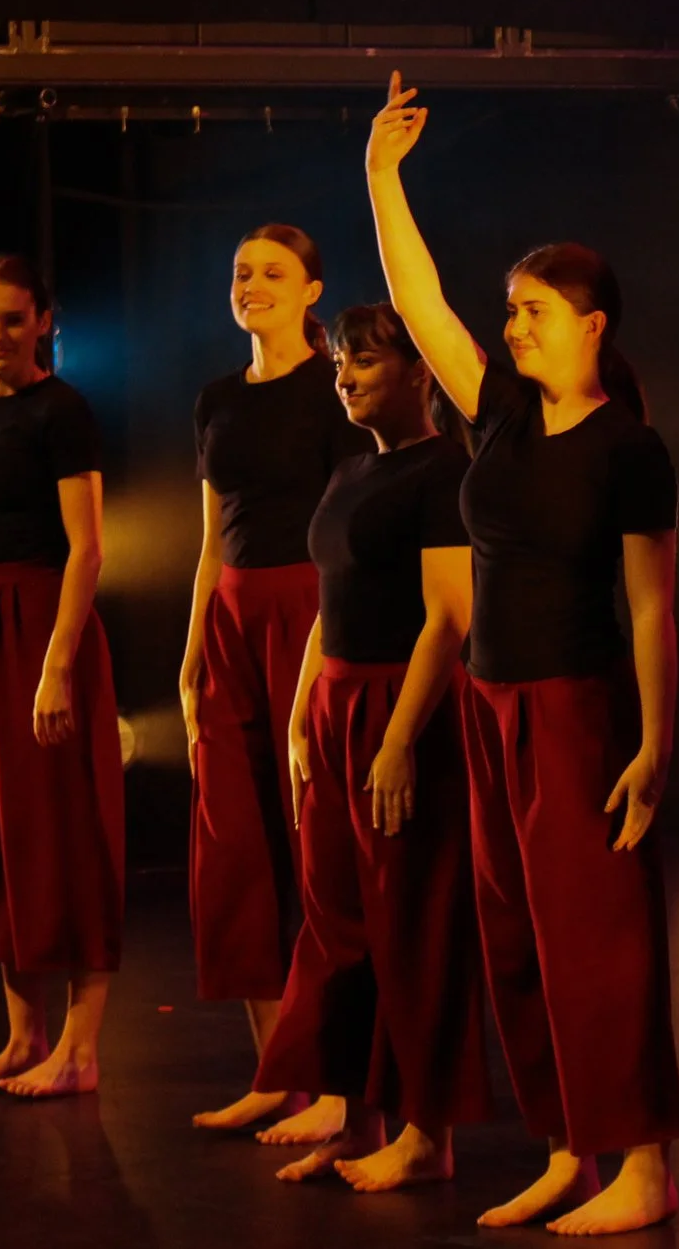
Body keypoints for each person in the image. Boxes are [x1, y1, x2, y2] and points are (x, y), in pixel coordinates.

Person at [362, 73, 679, 1234]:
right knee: (514, 938)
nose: (512, 326)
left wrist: (654, 742)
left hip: (576, 710)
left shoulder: (628, 449)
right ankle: (566, 1147)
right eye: (510, 310)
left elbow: (650, 609)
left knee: (597, 942)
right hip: (490, 702)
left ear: (592, 324)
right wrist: (381, 175)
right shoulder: (498, 413)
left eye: (534, 310)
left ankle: (641, 1163)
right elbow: (423, 305)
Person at [248, 303, 491, 1189]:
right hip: (337, 702)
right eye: (341, 362)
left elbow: (448, 618)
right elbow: (330, 601)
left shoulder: (444, 469)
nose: (346, 376)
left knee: (412, 922)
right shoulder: (350, 468)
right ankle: (358, 1122)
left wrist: (396, 741)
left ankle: (428, 1135)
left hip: (401, 706)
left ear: (419, 371)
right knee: (337, 921)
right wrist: (300, 713)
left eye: (366, 361)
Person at [181, 225, 372, 1131]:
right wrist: (192, 650)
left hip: (309, 610)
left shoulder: (333, 390)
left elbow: (345, 533)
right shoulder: (216, 399)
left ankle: (335, 1082)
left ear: (311, 290)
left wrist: (327, 641)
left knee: (314, 844)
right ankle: (275, 1070)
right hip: (231, 612)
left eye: (272, 271)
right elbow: (211, 534)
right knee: (236, 845)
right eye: (241, 271)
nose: (251, 283)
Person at [0, 254, 123, 1098]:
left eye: (13, 318)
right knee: (1, 831)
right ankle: (22, 1036)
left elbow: (87, 549)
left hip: (43, 626)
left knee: (66, 831)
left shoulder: (62, 411)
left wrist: (56, 665)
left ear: (44, 320)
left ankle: (80, 1047)